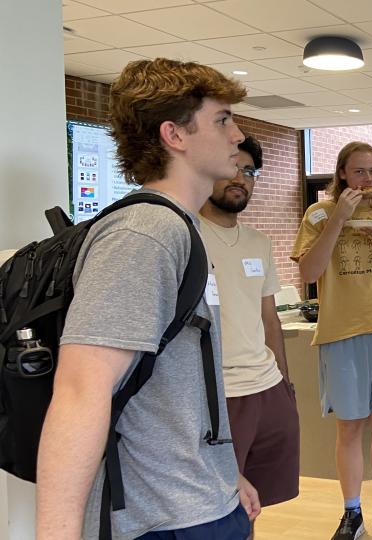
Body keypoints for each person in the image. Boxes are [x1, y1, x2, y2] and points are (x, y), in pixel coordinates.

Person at [36, 58, 258, 539]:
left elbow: (177, 382)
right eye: (222, 120)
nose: (238, 135)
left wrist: (225, 474)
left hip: (201, 498)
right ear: (174, 135)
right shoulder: (145, 234)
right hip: (160, 518)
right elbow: (81, 390)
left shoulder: (179, 227)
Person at [290, 141, 372, 540]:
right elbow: (309, 273)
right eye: (359, 171)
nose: (367, 179)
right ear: (342, 173)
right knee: (349, 428)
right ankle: (351, 512)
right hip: (340, 332)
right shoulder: (318, 214)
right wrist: (340, 218)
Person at [199, 134, 300, 535]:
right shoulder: (187, 234)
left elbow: (269, 319)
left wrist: (286, 386)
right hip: (218, 394)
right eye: (232, 168)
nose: (240, 178)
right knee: (217, 506)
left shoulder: (258, 242)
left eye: (249, 171)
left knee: (253, 505)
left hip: (267, 388)